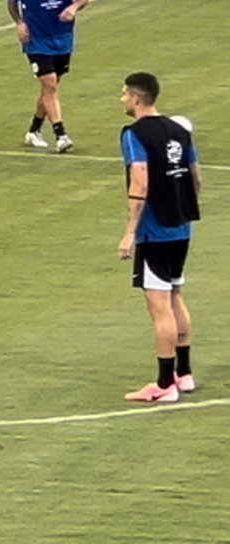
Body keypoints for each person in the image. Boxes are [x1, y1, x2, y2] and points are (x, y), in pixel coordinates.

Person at [117, 72, 200, 403]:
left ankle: (165, 384)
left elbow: (139, 179)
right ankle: (185, 373)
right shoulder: (179, 130)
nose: (123, 99)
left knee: (158, 304)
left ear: (137, 98)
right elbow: (195, 176)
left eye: (125, 94)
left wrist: (129, 233)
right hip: (182, 224)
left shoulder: (133, 134)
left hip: (156, 229)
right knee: (175, 294)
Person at [6, 0, 89, 154]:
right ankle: (61, 135)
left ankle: (33, 131)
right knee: (49, 83)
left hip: (62, 36)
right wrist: (19, 22)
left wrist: (73, 8)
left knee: (51, 88)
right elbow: (12, 0)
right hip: (36, 38)